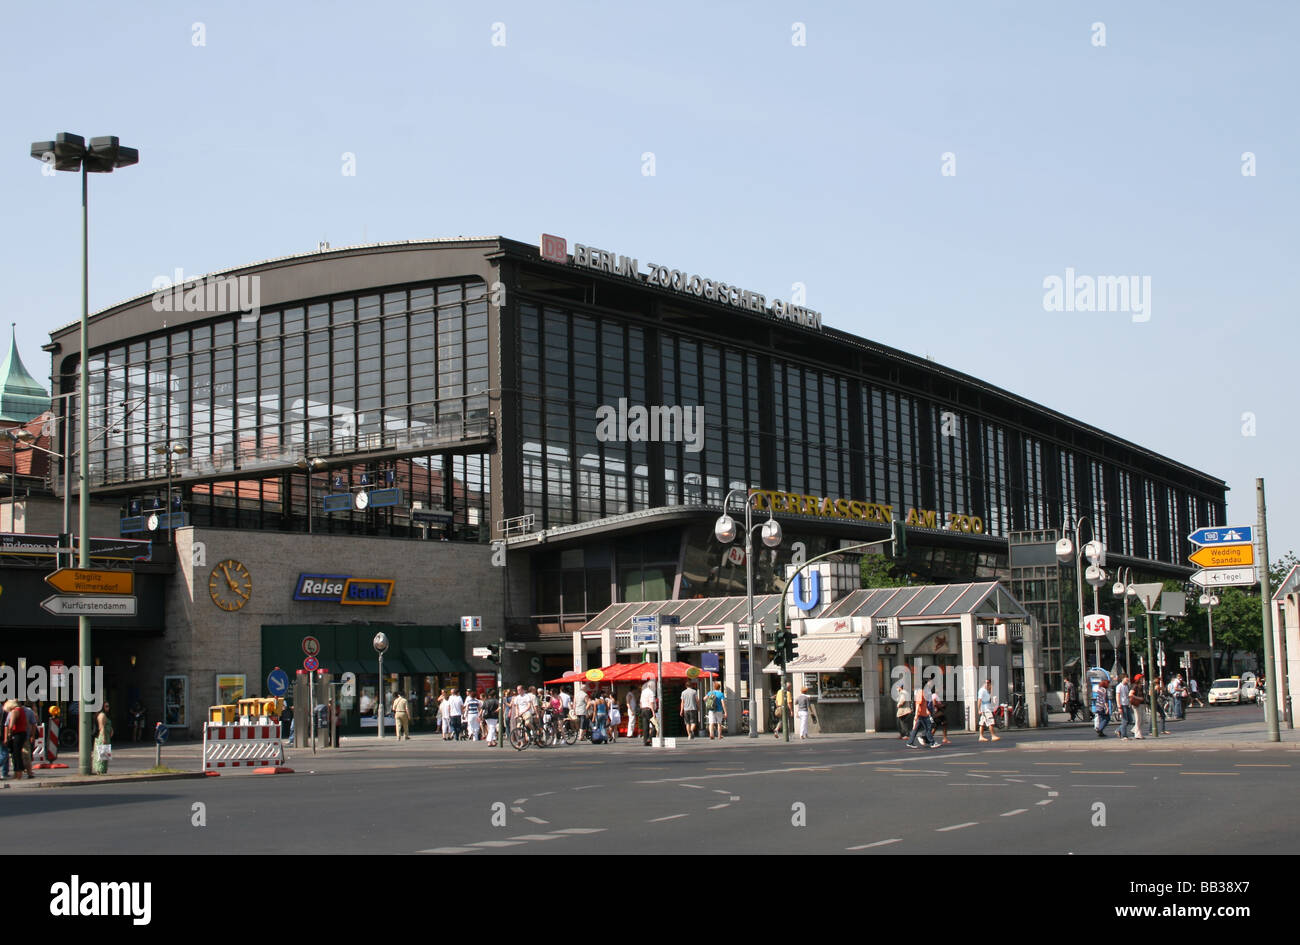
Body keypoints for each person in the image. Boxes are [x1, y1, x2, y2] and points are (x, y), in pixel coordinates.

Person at [4, 699, 32, 779]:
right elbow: (27, 723)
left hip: (17, 734)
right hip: (23, 733)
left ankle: (18, 773)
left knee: (16, 754)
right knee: (18, 753)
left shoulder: (15, 711)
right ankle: (18, 772)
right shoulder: (22, 710)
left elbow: (11, 724)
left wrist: (9, 734)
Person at [907, 683, 934, 748]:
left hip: (922, 714)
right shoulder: (921, 693)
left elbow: (923, 704)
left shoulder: (922, 693)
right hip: (921, 714)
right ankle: (932, 742)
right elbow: (918, 704)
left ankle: (910, 742)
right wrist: (916, 714)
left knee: (916, 729)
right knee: (928, 727)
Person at [92, 701, 114, 774]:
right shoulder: (102, 715)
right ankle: (100, 770)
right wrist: (104, 737)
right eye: (106, 706)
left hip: (106, 736)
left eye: (108, 706)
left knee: (105, 755)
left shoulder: (105, 715)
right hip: (103, 736)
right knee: (102, 755)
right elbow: (102, 727)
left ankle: (103, 770)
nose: (108, 708)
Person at [640, 678, 657, 746]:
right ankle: (651, 739)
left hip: (643, 709)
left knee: (645, 726)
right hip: (649, 710)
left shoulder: (643, 692)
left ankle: (645, 740)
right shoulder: (651, 692)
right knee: (655, 725)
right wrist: (653, 712)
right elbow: (651, 703)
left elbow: (641, 702)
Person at [1129, 674, 1146, 739]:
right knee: (1138, 719)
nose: (1143, 679)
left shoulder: (1141, 686)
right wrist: (1139, 698)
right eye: (1142, 678)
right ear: (1138, 679)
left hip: (1141, 704)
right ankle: (1137, 734)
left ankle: (1134, 730)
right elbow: (1130, 694)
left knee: (1143, 719)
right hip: (1137, 704)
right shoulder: (1135, 686)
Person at [1115, 673, 1132, 740]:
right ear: (1123, 679)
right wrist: (1119, 706)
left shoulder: (1126, 686)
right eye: (1126, 678)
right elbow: (1117, 696)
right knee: (1124, 720)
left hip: (1127, 704)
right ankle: (1124, 736)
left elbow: (1127, 696)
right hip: (1122, 704)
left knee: (1130, 720)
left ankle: (1118, 730)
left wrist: (1130, 703)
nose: (1127, 679)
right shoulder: (1119, 686)